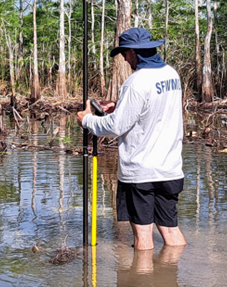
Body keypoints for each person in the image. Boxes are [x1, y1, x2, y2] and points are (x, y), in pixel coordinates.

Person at [77, 27, 186, 250]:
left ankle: (142, 279)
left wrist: (87, 120)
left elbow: (115, 127)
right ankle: (173, 274)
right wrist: (119, 106)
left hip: (141, 173)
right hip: (170, 170)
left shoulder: (136, 82)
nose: (125, 60)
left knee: (143, 240)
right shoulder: (171, 75)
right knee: (171, 232)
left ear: (133, 52)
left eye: (124, 54)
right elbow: (154, 108)